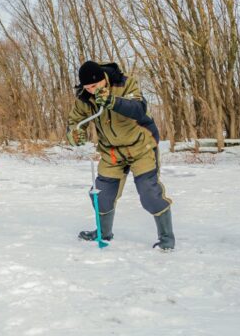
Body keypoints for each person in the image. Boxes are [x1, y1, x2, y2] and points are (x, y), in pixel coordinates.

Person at [66, 61, 175, 249]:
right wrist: (74, 134)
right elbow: (74, 122)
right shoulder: (85, 98)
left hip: (140, 147)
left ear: (104, 80)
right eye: (87, 87)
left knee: (149, 194)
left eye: (95, 86)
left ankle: (166, 239)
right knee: (101, 195)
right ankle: (104, 233)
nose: (91, 90)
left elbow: (138, 109)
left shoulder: (125, 84)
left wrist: (112, 101)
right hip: (112, 153)